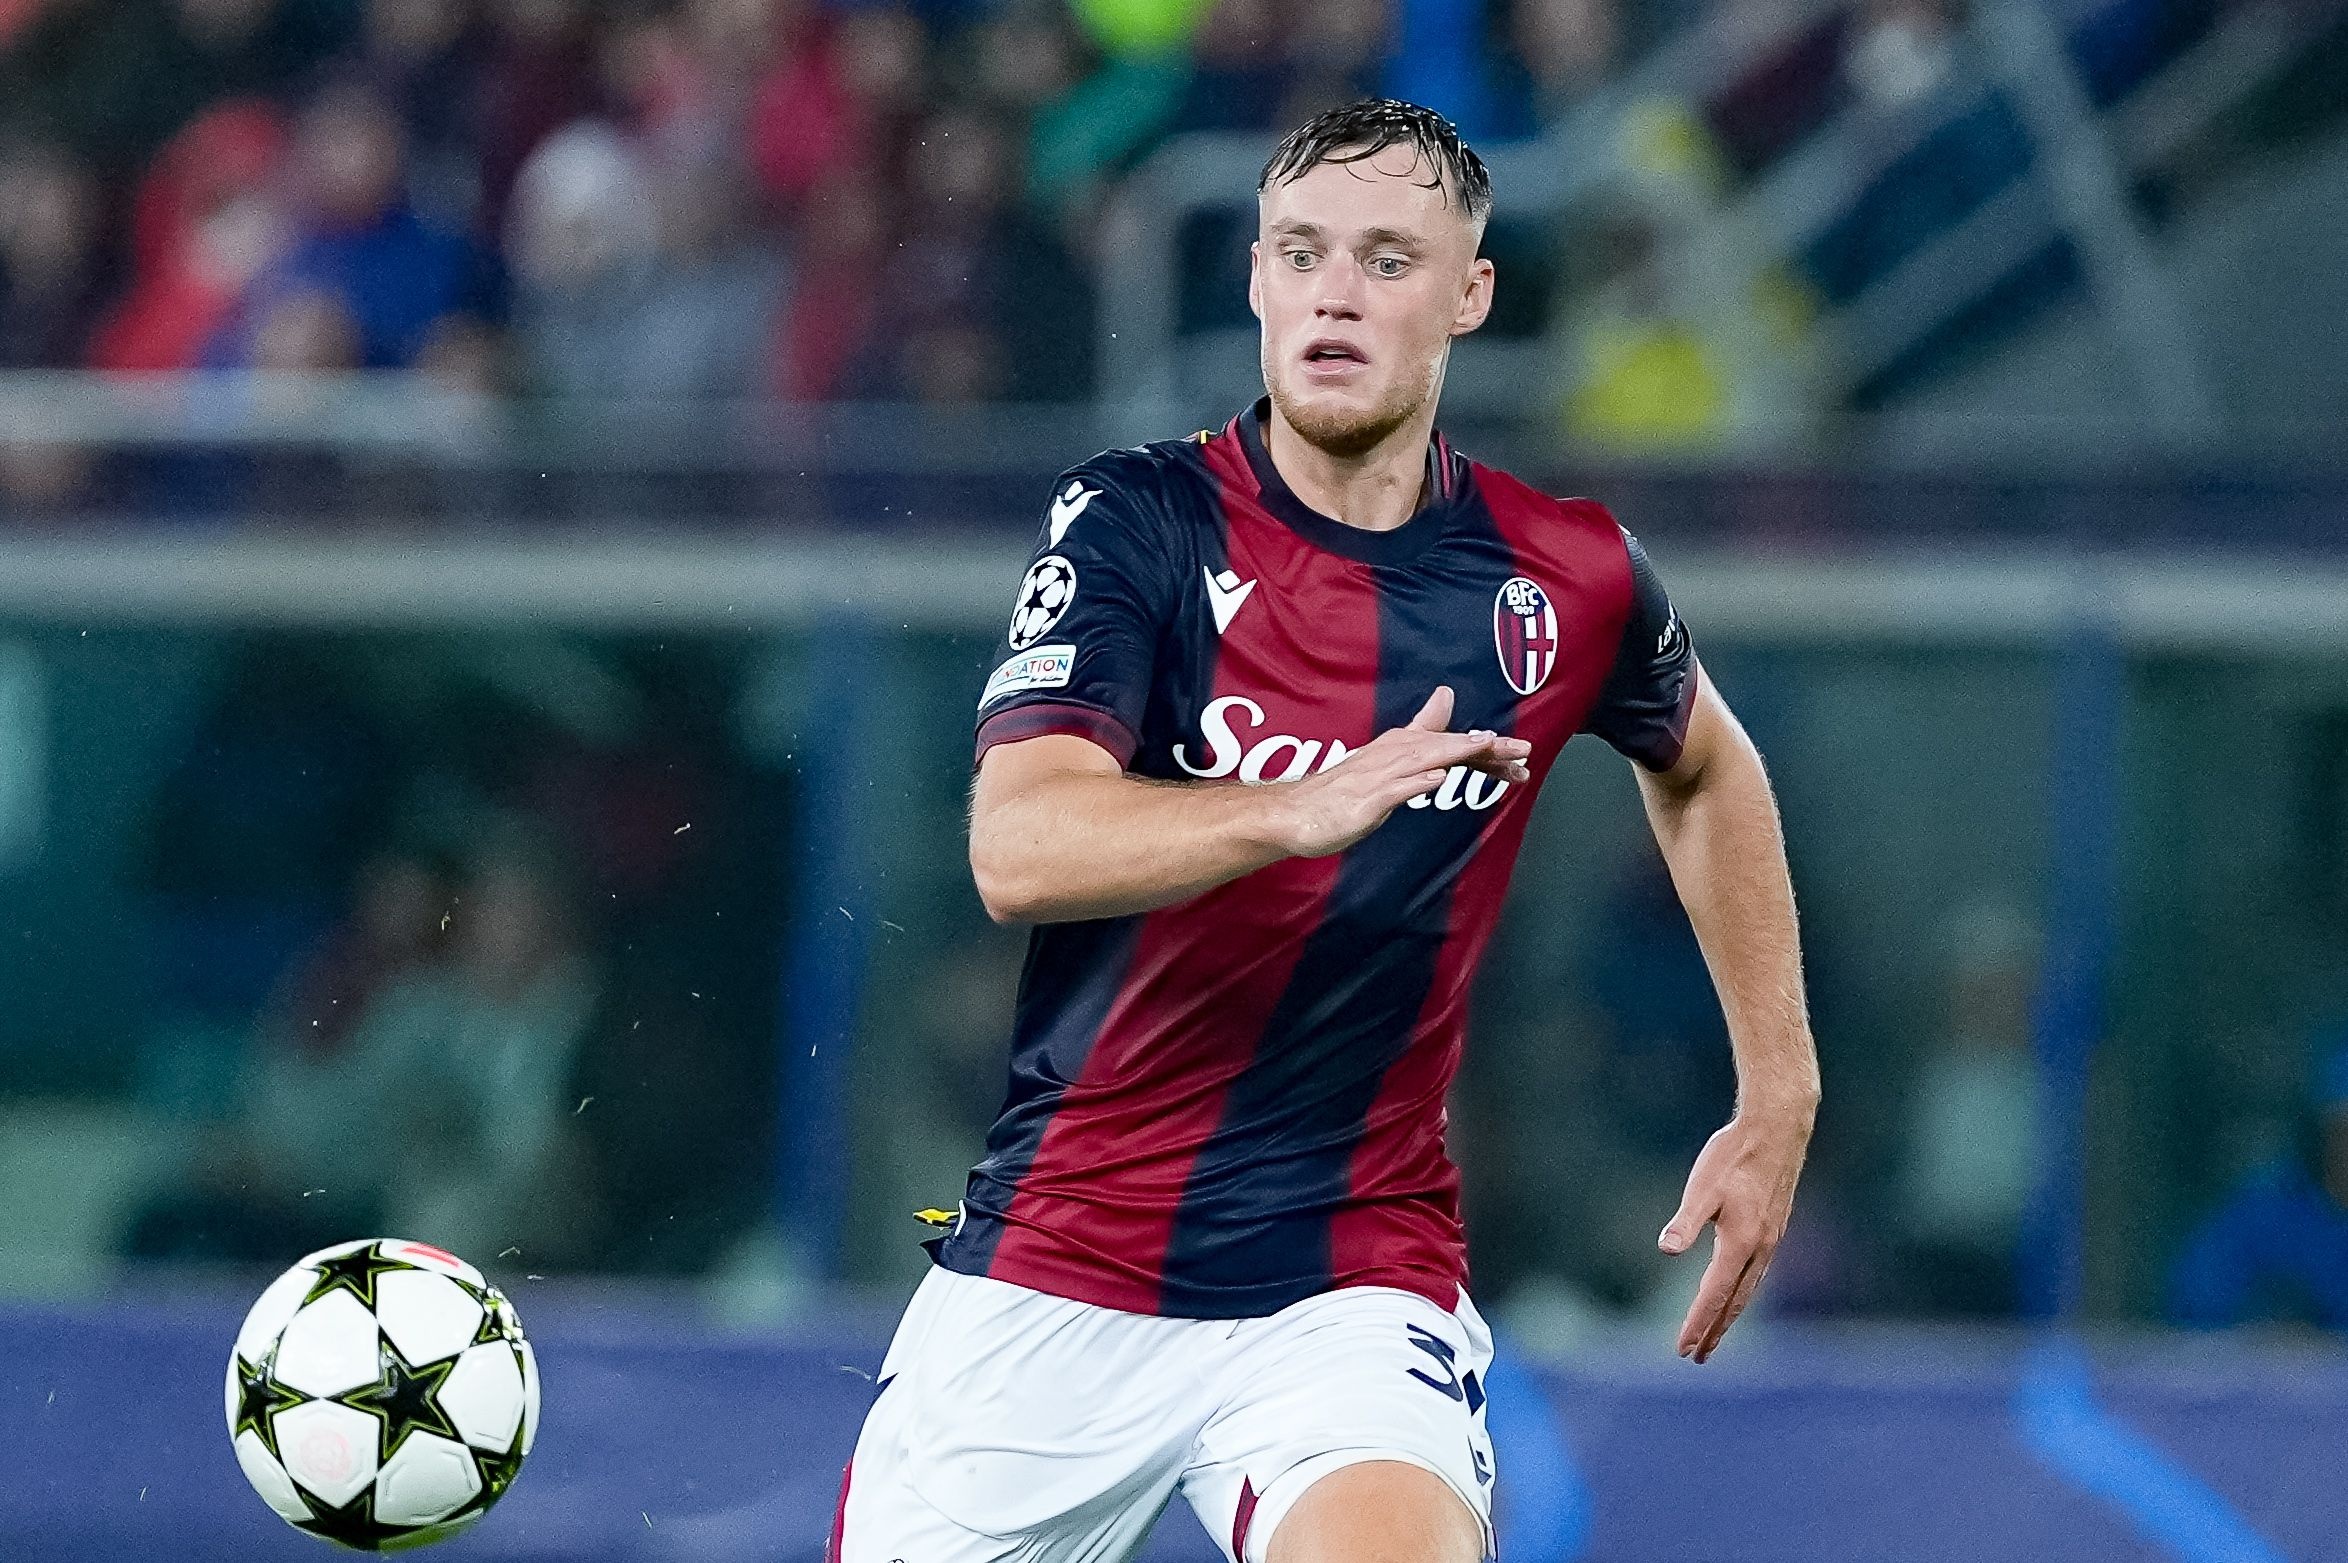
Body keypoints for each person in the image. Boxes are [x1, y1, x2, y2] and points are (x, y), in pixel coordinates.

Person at [831, 100, 1819, 1563]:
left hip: (1350, 1282)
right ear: (1254, 279)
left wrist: (1779, 1084)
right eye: (1300, 253)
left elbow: (1707, 767)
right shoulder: (1138, 522)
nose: (1335, 294)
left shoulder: (1567, 576)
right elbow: (1017, 847)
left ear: (1470, 294)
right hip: (1060, 1266)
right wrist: (1293, 806)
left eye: (1385, 260)